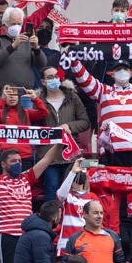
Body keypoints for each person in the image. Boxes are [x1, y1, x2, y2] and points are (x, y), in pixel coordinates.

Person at [65, 54, 132, 166]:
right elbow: (85, 80)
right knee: (114, 181)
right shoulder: (103, 91)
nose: (122, 71)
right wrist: (74, 60)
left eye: (125, 69)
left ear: (131, 73)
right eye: (118, 69)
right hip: (112, 148)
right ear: (111, 74)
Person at [37, 66, 89, 199]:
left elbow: (85, 122)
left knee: (74, 189)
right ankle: (50, 218)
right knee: (51, 187)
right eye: (50, 77)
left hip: (71, 153)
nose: (54, 79)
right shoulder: (38, 101)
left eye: (56, 76)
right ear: (43, 81)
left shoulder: (72, 97)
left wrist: (69, 126)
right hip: (48, 155)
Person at [64, 199, 123, 263]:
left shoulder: (113, 236)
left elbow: (120, 261)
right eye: (95, 213)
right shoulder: (75, 238)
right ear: (85, 214)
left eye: (101, 213)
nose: (99, 216)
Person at [0, 6, 47, 98]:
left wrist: (36, 48)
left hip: (26, 93)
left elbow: (42, 64)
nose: (17, 27)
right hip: (4, 94)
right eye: (13, 24)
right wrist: (13, 45)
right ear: (5, 24)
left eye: (19, 24)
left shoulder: (26, 42)